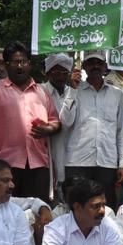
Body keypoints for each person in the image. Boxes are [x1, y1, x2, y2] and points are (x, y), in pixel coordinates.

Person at [0, 41, 61, 202]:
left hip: (38, 165)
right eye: (15, 62)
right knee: (3, 212)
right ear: (6, 65)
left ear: (29, 64)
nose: (20, 66)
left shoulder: (42, 91)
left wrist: (48, 129)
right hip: (4, 166)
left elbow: (56, 121)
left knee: (38, 212)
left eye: (23, 62)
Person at [64, 50, 123, 210]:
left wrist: (122, 164)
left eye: (99, 63)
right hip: (78, 161)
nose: (95, 66)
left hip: (107, 163)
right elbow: (65, 121)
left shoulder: (117, 94)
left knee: (105, 210)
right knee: (77, 207)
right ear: (84, 66)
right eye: (91, 63)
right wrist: (72, 90)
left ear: (105, 66)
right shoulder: (73, 90)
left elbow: (121, 131)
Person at [40, 53, 77, 193]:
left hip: (72, 154)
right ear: (48, 73)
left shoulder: (73, 92)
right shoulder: (40, 91)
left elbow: (67, 122)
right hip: (47, 151)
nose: (61, 76)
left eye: (64, 72)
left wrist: (73, 92)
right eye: (56, 72)